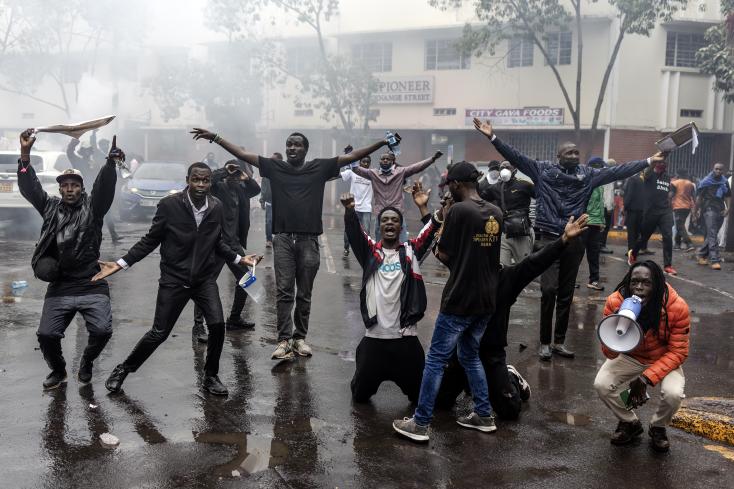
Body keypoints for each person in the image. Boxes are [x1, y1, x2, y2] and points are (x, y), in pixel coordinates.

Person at [190, 127, 398, 359]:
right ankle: (284, 341)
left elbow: (352, 157)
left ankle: (299, 339)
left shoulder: (318, 167)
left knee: (304, 294)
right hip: (283, 240)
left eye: (297, 144)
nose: (292, 148)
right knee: (284, 292)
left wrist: (381, 143)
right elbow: (243, 153)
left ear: (305, 149)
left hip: (309, 240)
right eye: (289, 144)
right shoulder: (275, 167)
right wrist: (216, 138)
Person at [472, 118, 661, 360]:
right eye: (569, 152)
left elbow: (617, 171)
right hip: (549, 239)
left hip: (575, 242)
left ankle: (559, 342)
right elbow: (516, 156)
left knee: (566, 293)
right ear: (558, 155)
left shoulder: (588, 174)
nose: (574, 155)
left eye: (576, 152)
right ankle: (544, 342)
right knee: (548, 290)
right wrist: (492, 137)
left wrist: (647, 161)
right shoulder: (543, 170)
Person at [96, 162, 260, 396]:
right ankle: (123, 369)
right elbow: (150, 240)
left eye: (205, 180)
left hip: (204, 279)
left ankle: (210, 376)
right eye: (196, 180)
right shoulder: (169, 205)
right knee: (159, 333)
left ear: (210, 183)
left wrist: (238, 258)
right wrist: (121, 263)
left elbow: (217, 241)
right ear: (188, 180)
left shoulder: (216, 206)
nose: (201, 185)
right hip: (174, 279)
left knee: (216, 325)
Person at [436, 215, 589, 420]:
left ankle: (511, 376)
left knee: (509, 411)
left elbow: (536, 261)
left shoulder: (507, 276)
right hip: (460, 353)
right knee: (440, 402)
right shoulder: (463, 270)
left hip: (491, 354)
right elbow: (441, 249)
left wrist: (563, 240)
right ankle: (470, 383)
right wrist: (437, 216)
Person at [392, 161, 502, 442]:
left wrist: (440, 222)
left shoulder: (459, 212)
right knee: (468, 354)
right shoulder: (495, 212)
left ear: (456, 184)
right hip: (487, 299)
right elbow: (480, 255)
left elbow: (443, 254)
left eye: (449, 185)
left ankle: (421, 422)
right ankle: (484, 414)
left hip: (460, 298)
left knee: (436, 359)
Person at [18, 129, 123, 389]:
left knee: (102, 331)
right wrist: (25, 153)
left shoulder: (94, 207)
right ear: (60, 188)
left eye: (74, 185)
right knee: (46, 335)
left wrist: (110, 164)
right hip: (61, 284)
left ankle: (86, 362)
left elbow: (104, 188)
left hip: (91, 281)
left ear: (81, 188)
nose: (69, 189)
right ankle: (59, 370)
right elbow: (30, 187)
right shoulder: (50, 207)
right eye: (65, 185)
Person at [344, 182, 442, 403]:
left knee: (420, 398)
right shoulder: (370, 252)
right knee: (359, 396)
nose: (390, 223)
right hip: (374, 339)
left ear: (400, 227)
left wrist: (427, 210)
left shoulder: (411, 252)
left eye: (395, 220)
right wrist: (350, 210)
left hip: (405, 341)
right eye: (385, 220)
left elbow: (430, 232)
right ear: (379, 227)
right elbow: (355, 233)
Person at [594, 260, 690, 453]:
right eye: (634, 282)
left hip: (663, 358)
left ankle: (658, 427)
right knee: (602, 384)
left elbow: (678, 352)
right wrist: (615, 326)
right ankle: (630, 423)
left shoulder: (677, 307)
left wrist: (646, 378)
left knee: (673, 394)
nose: (638, 288)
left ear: (657, 285)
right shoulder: (615, 302)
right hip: (631, 356)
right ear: (628, 282)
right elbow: (609, 353)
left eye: (646, 283)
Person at [193, 160, 261, 342]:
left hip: (233, 243)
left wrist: (245, 177)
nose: (233, 175)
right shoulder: (216, 188)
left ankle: (235, 318)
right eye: (231, 172)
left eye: (236, 172)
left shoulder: (240, 189)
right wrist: (225, 170)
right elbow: (211, 180)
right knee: (205, 284)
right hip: (216, 244)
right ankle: (198, 326)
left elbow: (255, 190)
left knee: (247, 280)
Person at [351, 150, 442, 243]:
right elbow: (356, 169)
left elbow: (416, 167)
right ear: (379, 161)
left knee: (403, 244)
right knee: (379, 246)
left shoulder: (400, 172)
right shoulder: (373, 173)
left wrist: (432, 159)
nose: (385, 160)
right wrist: (350, 154)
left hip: (398, 215)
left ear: (392, 162)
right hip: (380, 215)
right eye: (383, 159)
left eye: (388, 159)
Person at [479, 160, 535, 266]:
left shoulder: (524, 184)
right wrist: (475, 183)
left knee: (523, 267)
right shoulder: (495, 187)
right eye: (501, 168)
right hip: (504, 233)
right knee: (502, 267)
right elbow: (479, 197)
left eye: (507, 167)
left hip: (522, 233)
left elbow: (541, 196)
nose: (504, 170)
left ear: (515, 170)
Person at [628, 160, 677, 275]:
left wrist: (670, 195)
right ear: (656, 165)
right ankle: (633, 254)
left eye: (665, 163)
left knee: (668, 236)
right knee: (644, 237)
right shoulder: (649, 175)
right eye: (660, 163)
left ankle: (668, 265)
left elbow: (671, 190)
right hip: (651, 211)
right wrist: (654, 160)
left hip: (665, 211)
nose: (663, 165)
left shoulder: (667, 177)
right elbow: (647, 171)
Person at [695, 162, 731, 270]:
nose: (718, 171)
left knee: (712, 234)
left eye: (720, 169)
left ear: (723, 171)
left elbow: (728, 196)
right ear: (713, 169)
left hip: (720, 210)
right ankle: (714, 259)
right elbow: (699, 198)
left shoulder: (724, 182)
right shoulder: (706, 182)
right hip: (709, 209)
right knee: (712, 234)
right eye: (716, 169)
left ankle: (701, 254)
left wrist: (728, 208)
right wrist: (695, 211)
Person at [341, 155, 373, 257]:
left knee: (366, 231)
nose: (366, 164)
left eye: (368, 162)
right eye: (363, 162)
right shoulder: (352, 172)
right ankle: (346, 248)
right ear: (360, 163)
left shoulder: (372, 175)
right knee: (349, 229)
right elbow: (341, 175)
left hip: (366, 208)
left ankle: (365, 250)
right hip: (352, 207)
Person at [93, 133, 121, 244]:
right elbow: (93, 145)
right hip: (96, 186)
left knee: (107, 213)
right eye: (103, 145)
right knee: (97, 214)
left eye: (106, 145)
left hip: (104, 185)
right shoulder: (98, 154)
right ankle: (96, 235)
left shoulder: (108, 154)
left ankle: (113, 235)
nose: (105, 146)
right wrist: (94, 134)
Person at [585, 157, 607, 291]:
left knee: (594, 253)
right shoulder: (585, 182)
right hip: (584, 221)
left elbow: (600, 204)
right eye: (600, 168)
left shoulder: (600, 185)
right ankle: (569, 280)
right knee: (576, 253)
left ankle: (594, 280)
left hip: (595, 223)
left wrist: (602, 221)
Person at [622, 174, 650, 254]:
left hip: (632, 210)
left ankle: (631, 251)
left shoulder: (632, 179)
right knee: (637, 232)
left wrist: (625, 206)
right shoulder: (644, 180)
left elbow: (629, 194)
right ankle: (635, 250)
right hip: (642, 210)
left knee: (631, 232)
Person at [670, 168, 696, 252]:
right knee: (680, 225)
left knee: (679, 226)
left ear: (677, 174)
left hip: (678, 206)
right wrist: (694, 208)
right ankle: (677, 245)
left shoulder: (674, 183)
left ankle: (689, 243)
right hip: (687, 207)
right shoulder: (690, 184)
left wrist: (666, 200)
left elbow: (671, 194)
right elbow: (693, 197)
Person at [259, 152, 280, 248]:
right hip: (269, 202)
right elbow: (263, 188)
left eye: (273, 159)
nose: (271, 160)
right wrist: (262, 200)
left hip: (281, 202)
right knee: (269, 221)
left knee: (280, 221)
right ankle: (269, 240)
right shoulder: (266, 172)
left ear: (279, 160)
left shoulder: (284, 172)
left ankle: (280, 239)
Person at [599, 158, 616, 254]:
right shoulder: (609, 176)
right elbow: (607, 194)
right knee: (605, 227)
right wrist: (609, 208)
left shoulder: (603, 174)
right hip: (606, 207)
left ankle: (599, 245)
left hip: (602, 206)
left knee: (602, 226)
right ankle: (602, 245)